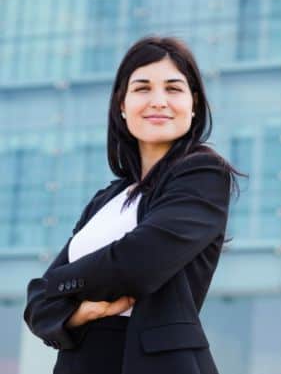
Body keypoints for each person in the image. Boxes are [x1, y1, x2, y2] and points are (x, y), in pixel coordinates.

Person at [23, 36, 245, 374]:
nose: (159, 101)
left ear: (194, 103)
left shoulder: (203, 173)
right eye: (142, 88)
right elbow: (37, 305)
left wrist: (58, 286)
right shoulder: (109, 198)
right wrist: (81, 312)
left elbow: (139, 262)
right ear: (122, 105)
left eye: (173, 89)